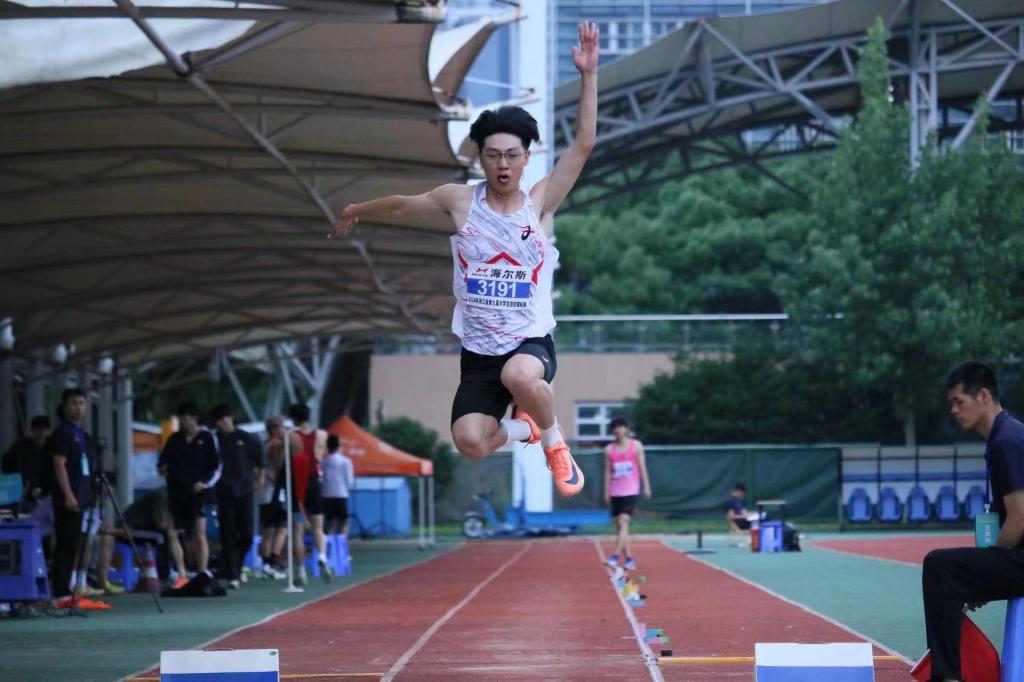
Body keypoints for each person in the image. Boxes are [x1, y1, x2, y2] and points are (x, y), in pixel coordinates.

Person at [330, 22, 600, 498]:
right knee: (471, 442)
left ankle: (553, 439)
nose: (502, 164)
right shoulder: (460, 201)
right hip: (478, 354)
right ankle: (523, 428)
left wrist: (589, 75)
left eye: (512, 155)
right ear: (480, 158)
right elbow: (403, 205)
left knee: (520, 375)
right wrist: (356, 209)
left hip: (529, 343)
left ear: (526, 157)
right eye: (493, 155)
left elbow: (582, 144)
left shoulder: (540, 204)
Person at [921, 361, 1024, 682]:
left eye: (958, 401)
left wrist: (990, 561)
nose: (953, 410)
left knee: (940, 567)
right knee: (951, 570)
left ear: (983, 396)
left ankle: (947, 677)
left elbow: (1019, 519)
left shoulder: (1007, 441)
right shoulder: (1006, 435)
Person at [158, 402, 219, 586]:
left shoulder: (208, 438)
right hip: (176, 492)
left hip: (199, 493)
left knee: (200, 533)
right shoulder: (174, 439)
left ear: (193, 418)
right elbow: (162, 462)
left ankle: (202, 572)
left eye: (184, 418)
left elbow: (216, 466)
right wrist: (162, 468)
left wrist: (204, 483)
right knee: (172, 532)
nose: (181, 422)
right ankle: (181, 573)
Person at [47, 389, 100, 602]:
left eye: (82, 403)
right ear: (65, 406)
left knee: (74, 544)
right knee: (65, 545)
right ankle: (61, 590)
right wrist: (68, 495)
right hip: (69, 499)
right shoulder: (63, 433)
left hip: (82, 496)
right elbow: (59, 465)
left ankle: (68, 586)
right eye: (74, 403)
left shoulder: (81, 434)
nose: (78, 408)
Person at [211, 404, 264, 589]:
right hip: (223, 493)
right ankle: (233, 574)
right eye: (219, 421)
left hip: (245, 492)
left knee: (247, 534)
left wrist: (259, 482)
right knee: (228, 534)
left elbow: (260, 463)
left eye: (225, 419)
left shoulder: (246, 438)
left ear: (231, 418)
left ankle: (235, 565)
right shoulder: (214, 441)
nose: (223, 423)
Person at [95, 487, 170, 595]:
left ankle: (175, 573)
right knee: (161, 537)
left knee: (169, 535)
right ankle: (164, 577)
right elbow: (161, 524)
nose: (108, 493)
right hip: (129, 530)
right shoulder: (162, 496)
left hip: (143, 529)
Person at [287, 403, 330, 585]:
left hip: (298, 486)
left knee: (297, 530)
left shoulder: (290, 436)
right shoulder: (322, 435)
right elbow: (322, 456)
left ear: (294, 418)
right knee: (318, 527)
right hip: (314, 483)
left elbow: (283, 461)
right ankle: (322, 556)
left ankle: (301, 570)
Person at [603, 417, 651, 570]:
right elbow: (607, 472)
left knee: (623, 522)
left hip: (631, 490)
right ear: (612, 431)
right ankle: (629, 559)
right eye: (615, 428)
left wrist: (646, 487)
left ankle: (614, 557)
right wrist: (606, 492)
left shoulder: (636, 446)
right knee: (620, 528)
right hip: (615, 491)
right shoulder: (609, 450)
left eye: (621, 427)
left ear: (626, 429)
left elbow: (642, 467)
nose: (618, 430)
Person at [258, 416, 291, 579]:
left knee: (272, 530)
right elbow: (278, 467)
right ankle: (271, 561)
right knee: (277, 529)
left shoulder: (265, 444)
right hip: (273, 491)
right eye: (281, 427)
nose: (284, 430)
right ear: (274, 429)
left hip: (270, 492)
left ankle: (268, 562)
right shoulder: (275, 446)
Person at [2, 415, 52, 510]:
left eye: (44, 429)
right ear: (33, 430)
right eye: (38, 429)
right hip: (22, 489)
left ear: (49, 430)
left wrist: (43, 488)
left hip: (46, 491)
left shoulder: (53, 448)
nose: (41, 432)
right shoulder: (21, 447)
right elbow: (7, 464)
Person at [322, 434, 355, 537]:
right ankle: (343, 545)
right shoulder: (345, 461)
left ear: (327, 446)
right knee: (344, 522)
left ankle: (329, 544)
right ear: (339, 446)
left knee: (330, 522)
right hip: (341, 494)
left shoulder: (324, 462)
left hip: (327, 495)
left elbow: (322, 478)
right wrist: (349, 487)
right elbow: (349, 480)